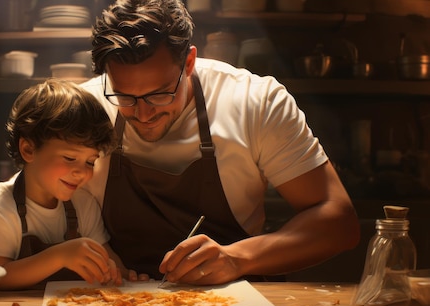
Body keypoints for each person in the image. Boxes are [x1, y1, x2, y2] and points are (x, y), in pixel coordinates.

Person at [79, 0, 361, 285]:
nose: (143, 114)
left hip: (235, 301)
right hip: (119, 299)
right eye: (125, 97)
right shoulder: (85, 109)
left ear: (188, 63)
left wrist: (238, 258)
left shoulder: (255, 102)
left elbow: (339, 223)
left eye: (159, 94)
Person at [0, 79, 124, 290]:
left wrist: (120, 273)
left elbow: (107, 258)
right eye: (69, 158)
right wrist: (59, 256)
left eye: (90, 162)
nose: (82, 171)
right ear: (28, 150)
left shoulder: (83, 204)